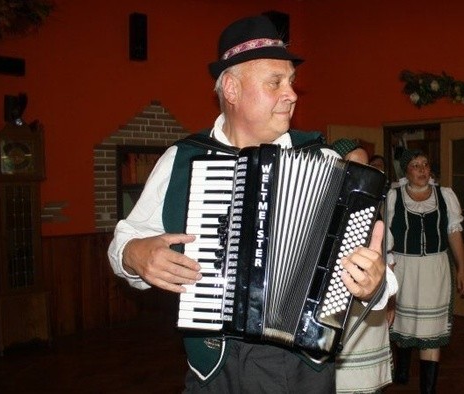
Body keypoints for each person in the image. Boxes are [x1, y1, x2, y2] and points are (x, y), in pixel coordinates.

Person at [108, 15, 393, 393]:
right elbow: (122, 242)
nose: (291, 93)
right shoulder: (184, 159)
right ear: (231, 88)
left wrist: (376, 283)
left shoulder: (324, 162)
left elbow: (376, 275)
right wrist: (134, 254)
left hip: (303, 369)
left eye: (291, 82)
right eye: (276, 82)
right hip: (217, 371)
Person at [386, 149, 464, 394]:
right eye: (415, 165)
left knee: (431, 331)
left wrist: (461, 269)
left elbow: (454, 232)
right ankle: (402, 367)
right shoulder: (393, 197)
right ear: (406, 170)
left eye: (425, 164)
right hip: (404, 269)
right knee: (403, 325)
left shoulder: (445, 196)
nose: (422, 169)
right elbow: (386, 239)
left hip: (435, 269)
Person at [330, 139, 396, 394]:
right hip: (336, 315)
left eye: (367, 166)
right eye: (355, 166)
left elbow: (388, 260)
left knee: (369, 385)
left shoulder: (373, 210)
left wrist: (391, 300)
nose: (364, 174)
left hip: (369, 312)